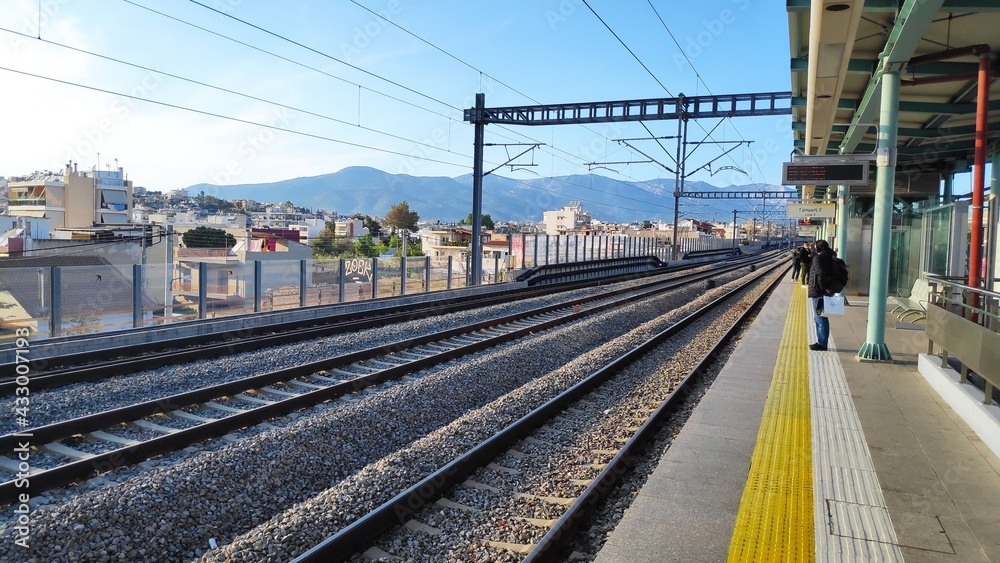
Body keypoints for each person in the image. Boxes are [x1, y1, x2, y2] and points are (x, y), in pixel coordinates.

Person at [808, 239, 836, 351]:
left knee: (820, 318)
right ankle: (821, 341)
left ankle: (822, 343)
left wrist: (823, 287)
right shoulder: (832, 256)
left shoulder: (819, 258)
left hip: (819, 291)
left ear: (818, 248)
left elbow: (820, 274)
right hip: (825, 290)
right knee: (820, 317)